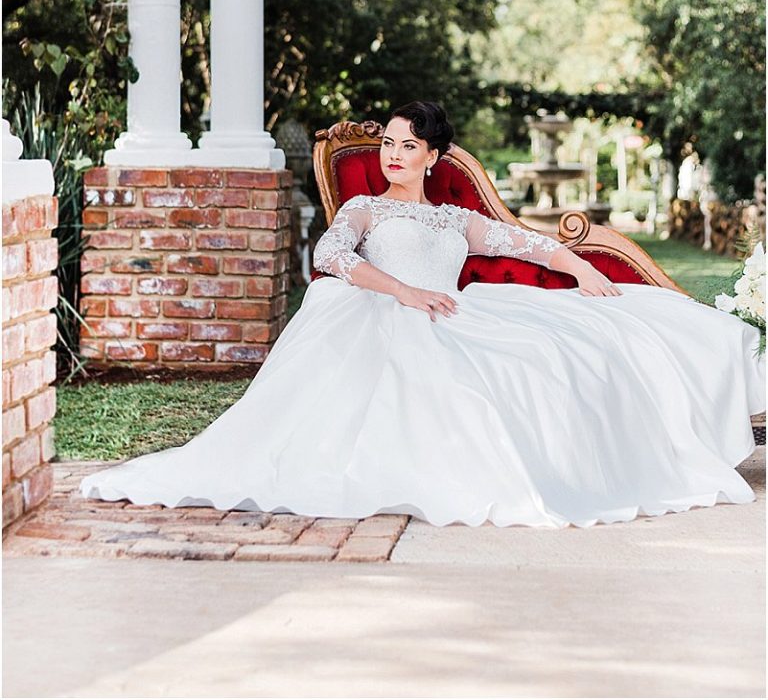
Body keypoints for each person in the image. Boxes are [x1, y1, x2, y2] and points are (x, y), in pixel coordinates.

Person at [79, 101, 765, 528]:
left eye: (408, 145)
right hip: (381, 310)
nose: (393, 154)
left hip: (459, 311)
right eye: (388, 143)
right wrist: (401, 291)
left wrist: (581, 266)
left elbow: (524, 242)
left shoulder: (455, 218)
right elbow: (330, 255)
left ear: (433, 158)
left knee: (585, 341)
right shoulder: (364, 208)